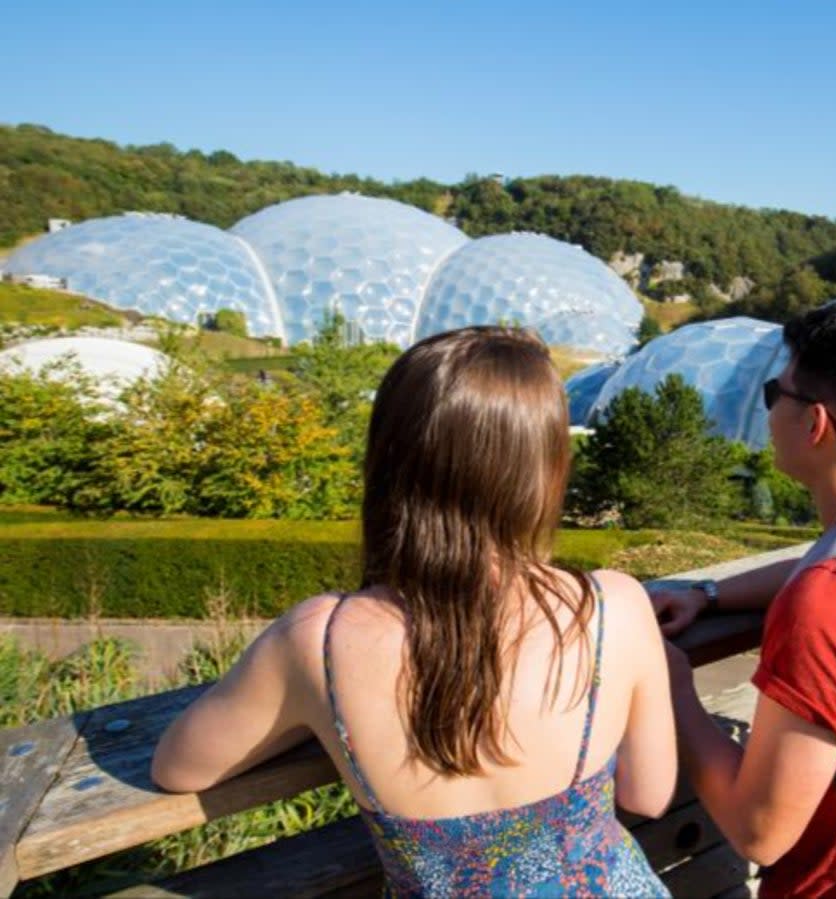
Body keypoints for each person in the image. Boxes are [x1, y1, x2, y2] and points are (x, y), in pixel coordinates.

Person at [153, 326, 676, 898]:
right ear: (546, 468)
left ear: (390, 460)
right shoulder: (613, 608)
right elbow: (647, 795)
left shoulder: (318, 641)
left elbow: (180, 768)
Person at [652, 304, 836, 899]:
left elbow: (758, 834)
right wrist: (707, 594)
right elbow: (830, 557)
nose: (768, 412)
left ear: (814, 423)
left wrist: (671, 684)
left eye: (774, 393)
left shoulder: (830, 609)